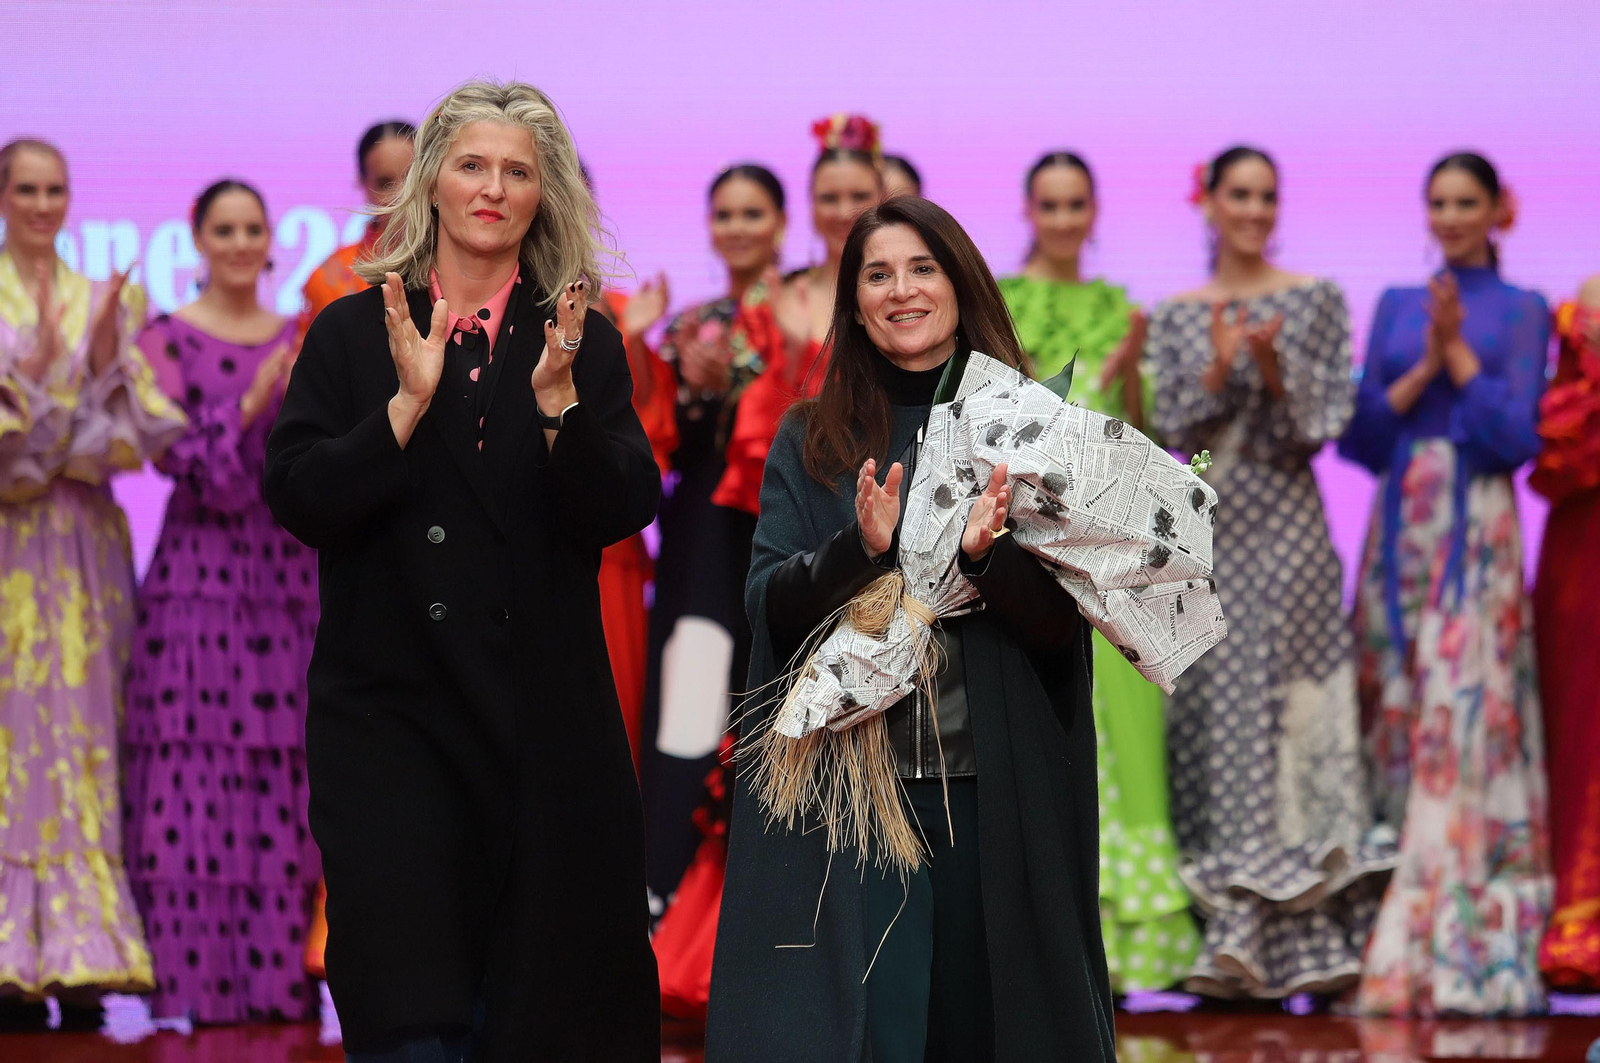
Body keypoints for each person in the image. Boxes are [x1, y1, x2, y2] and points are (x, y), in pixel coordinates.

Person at [264, 80, 661, 1062]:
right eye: (473, 165)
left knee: (545, 1013)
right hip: (391, 716)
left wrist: (562, 403)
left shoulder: (581, 339)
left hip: (545, 728)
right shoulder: (353, 331)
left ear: (543, 194)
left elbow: (622, 505)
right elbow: (300, 496)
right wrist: (403, 407)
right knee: (410, 1009)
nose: (492, 188)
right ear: (430, 181)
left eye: (517, 171)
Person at [707, 196, 1114, 1063]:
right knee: (874, 1037)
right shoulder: (810, 438)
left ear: (960, 284)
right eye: (878, 274)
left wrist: (982, 558)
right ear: (852, 302)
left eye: (922, 269)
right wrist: (862, 547)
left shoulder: (1029, 431)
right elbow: (769, 604)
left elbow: (1058, 632)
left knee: (982, 1030)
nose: (902, 291)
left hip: (986, 794)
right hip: (854, 802)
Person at [1149, 146, 1390, 1000]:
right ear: (1205, 200)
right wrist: (1220, 362)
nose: (1253, 208)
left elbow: (1317, 427)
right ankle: (1234, 935)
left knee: (1294, 721)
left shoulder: (1314, 296)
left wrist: (1275, 368)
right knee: (1222, 725)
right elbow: (1177, 428)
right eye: (1238, 193)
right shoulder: (1174, 312)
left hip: (1291, 534)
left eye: (1265, 195)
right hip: (1210, 532)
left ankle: (1316, 936)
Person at [1342, 152, 1552, 1016]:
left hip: (1479, 519)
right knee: (1393, 707)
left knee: (1467, 713)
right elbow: (1359, 437)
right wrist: (1424, 360)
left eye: (1468, 201)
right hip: (1402, 522)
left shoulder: (1527, 309)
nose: (1452, 215)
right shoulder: (1397, 302)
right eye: (1439, 201)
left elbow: (1516, 439)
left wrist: (1459, 350)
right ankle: (1385, 919)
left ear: (1498, 209)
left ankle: (1470, 949)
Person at [999, 150, 1199, 992]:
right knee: (1047, 717)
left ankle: (1134, 943)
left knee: (1126, 726)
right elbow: (998, 421)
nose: (1064, 217)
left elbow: (1149, 435)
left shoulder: (1123, 308)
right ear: (1029, 208)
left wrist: (1125, 383)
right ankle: (1048, 942)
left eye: (1077, 202)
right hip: (1036, 541)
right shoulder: (1003, 301)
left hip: (1114, 536)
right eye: (1050, 202)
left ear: (1094, 210)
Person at [122, 179, 318, 1023]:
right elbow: (188, 465)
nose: (241, 243)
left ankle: (280, 983)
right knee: (193, 765)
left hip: (287, 574)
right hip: (198, 575)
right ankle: (195, 986)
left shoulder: (303, 334)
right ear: (198, 239)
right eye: (224, 229)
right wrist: (251, 397)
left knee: (283, 766)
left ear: (271, 239)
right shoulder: (164, 338)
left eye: (253, 228)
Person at [0, 138, 184, 1014]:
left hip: (81, 547)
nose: (43, 204)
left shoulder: (110, 296)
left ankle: (87, 948)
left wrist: (102, 352)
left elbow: (139, 434)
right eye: (27, 188)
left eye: (56, 188)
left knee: (87, 726)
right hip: (6, 544)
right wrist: (41, 380)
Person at [643, 164, 786, 916]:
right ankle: (671, 915)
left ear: (781, 222)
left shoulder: (800, 314)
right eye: (724, 213)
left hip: (780, 541)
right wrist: (695, 388)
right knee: (691, 710)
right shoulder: (690, 323)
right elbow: (666, 440)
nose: (737, 227)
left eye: (752, 212)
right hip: (702, 545)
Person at [710, 113, 883, 516]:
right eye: (828, 198)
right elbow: (750, 433)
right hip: (791, 502)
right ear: (809, 205)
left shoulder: (905, 297)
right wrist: (790, 352)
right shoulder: (769, 298)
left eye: (858, 196)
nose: (844, 211)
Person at [1533, 274, 1600, 989]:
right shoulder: (1585, 306)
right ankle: (1580, 920)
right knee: (1584, 722)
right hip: (1587, 543)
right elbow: (1556, 449)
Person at [301, 121, 417, 327]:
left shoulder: (463, 260)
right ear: (362, 183)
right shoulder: (329, 278)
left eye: (412, 179)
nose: (402, 196)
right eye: (385, 184)